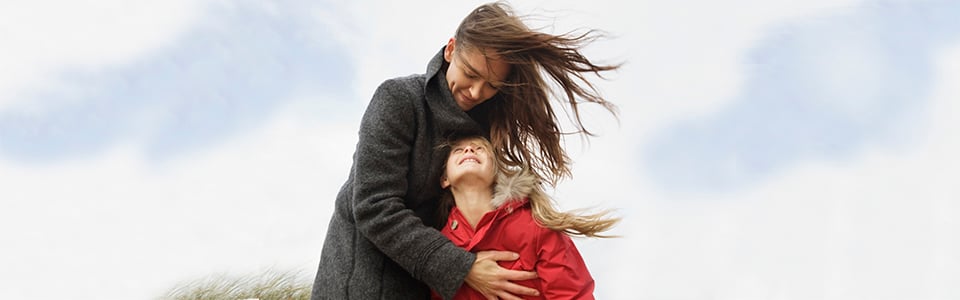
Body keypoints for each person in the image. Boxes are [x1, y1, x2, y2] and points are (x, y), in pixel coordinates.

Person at [311, 2, 620, 299]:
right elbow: (373, 205)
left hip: (427, 284)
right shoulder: (398, 99)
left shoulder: (482, 128)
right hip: (362, 280)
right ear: (451, 49)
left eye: (491, 85)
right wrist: (464, 267)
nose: (476, 92)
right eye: (470, 74)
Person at [433, 135, 619, 300]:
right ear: (444, 179)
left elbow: (573, 295)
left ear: (497, 174)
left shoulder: (536, 225)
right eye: (458, 150)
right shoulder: (438, 247)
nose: (469, 149)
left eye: (480, 148)